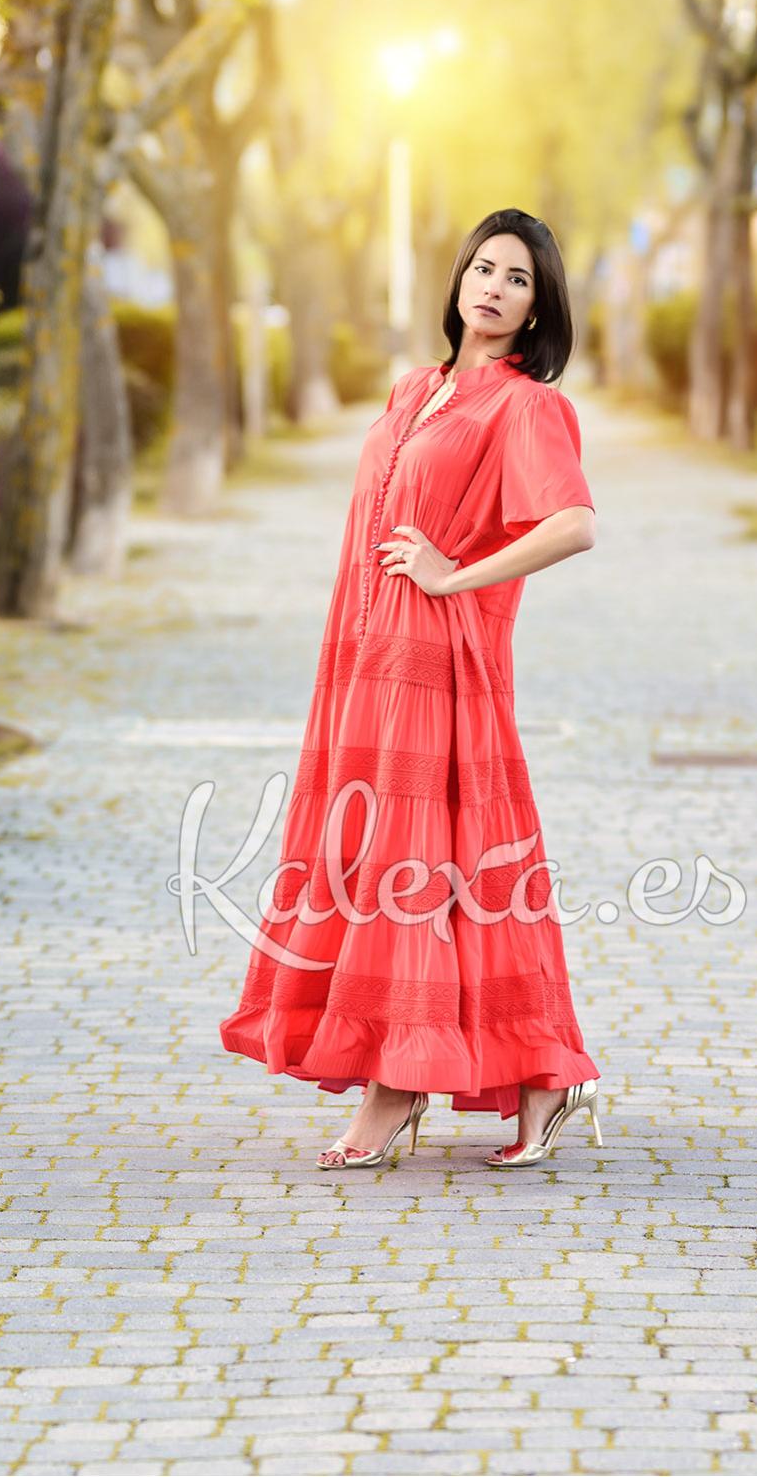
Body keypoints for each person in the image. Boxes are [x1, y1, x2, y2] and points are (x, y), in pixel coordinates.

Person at [220, 207, 603, 1170]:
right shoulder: (413, 390)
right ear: (458, 279)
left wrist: (453, 576)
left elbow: (574, 525)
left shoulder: (526, 406)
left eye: (518, 279)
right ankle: (542, 1076)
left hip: (443, 666)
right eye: (483, 269)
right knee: (442, 870)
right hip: (365, 663)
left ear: (538, 306)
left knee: (420, 866)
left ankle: (396, 1090)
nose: (494, 289)